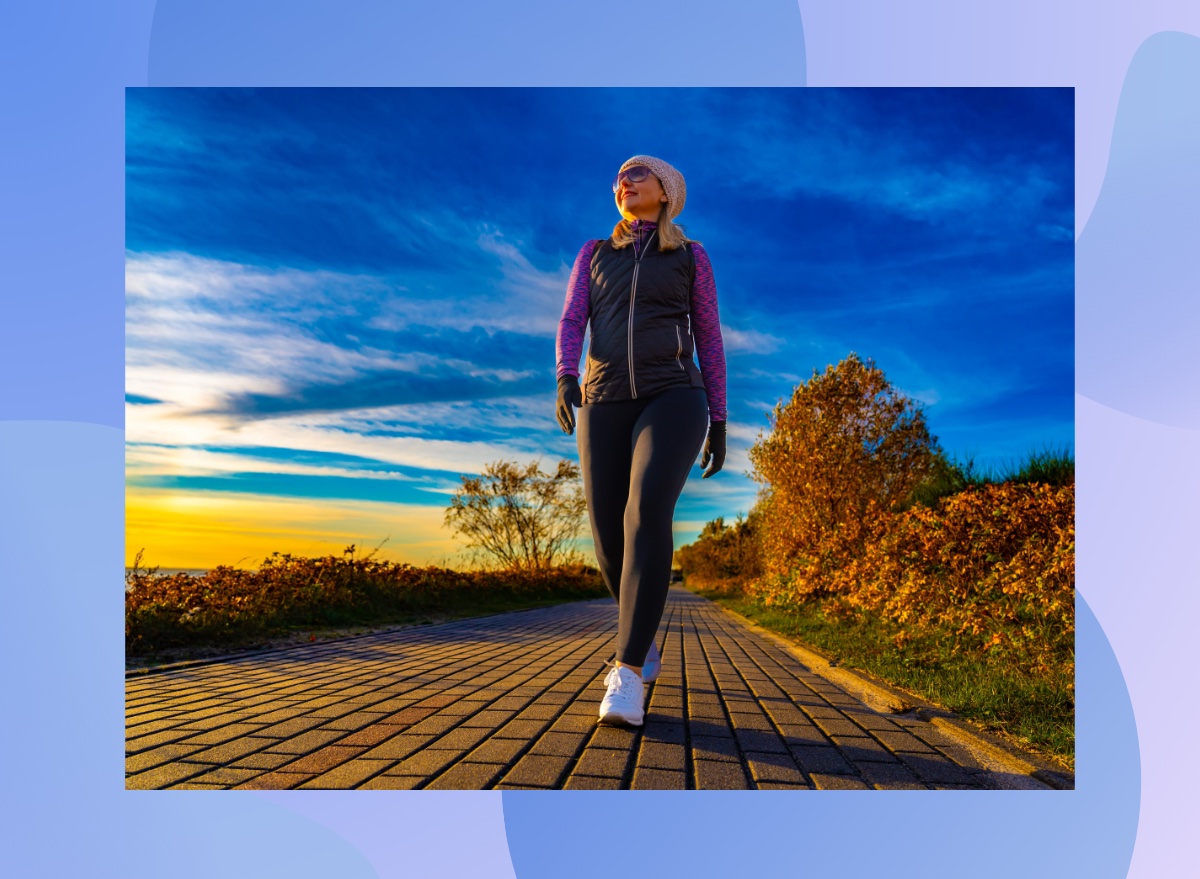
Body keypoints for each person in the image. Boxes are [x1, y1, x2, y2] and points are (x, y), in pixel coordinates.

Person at [555, 155, 727, 727]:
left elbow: (709, 335)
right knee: (606, 533)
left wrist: (720, 418)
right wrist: (565, 374)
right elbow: (572, 319)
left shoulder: (689, 255)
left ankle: (626, 673)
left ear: (666, 191)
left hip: (674, 391)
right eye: (618, 180)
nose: (623, 184)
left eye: (637, 176)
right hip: (604, 398)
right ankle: (642, 637)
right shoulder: (594, 253)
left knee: (644, 510)